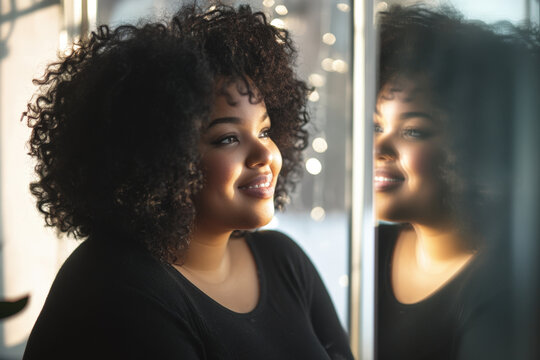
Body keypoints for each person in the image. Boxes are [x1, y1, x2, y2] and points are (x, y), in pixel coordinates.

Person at [22, 4, 353, 359]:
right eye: (227, 138)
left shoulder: (284, 261)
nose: (264, 154)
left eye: (265, 131)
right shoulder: (117, 285)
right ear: (160, 156)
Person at [375, 4, 540, 360]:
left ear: (476, 143)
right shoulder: (366, 254)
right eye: (376, 126)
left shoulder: (508, 285)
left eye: (413, 130)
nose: (380, 147)